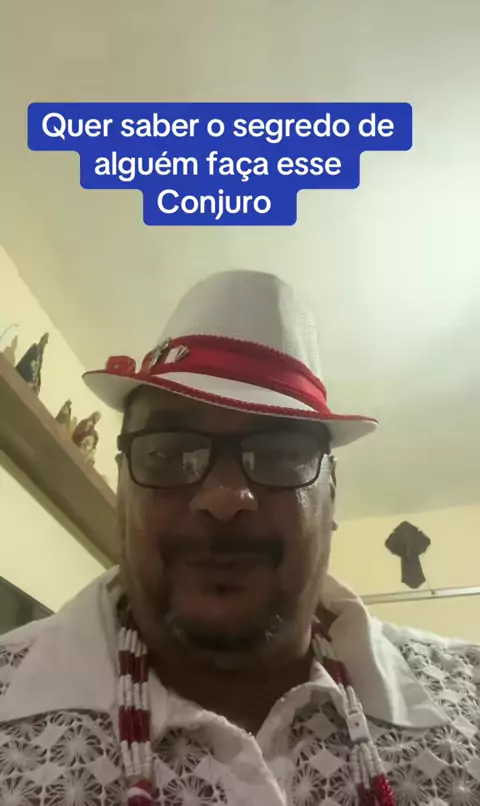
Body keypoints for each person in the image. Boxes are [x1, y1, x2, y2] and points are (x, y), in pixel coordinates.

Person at [0, 270, 478, 806]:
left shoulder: (471, 699)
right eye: (169, 452)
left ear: (331, 494)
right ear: (123, 484)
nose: (224, 498)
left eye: (278, 454)